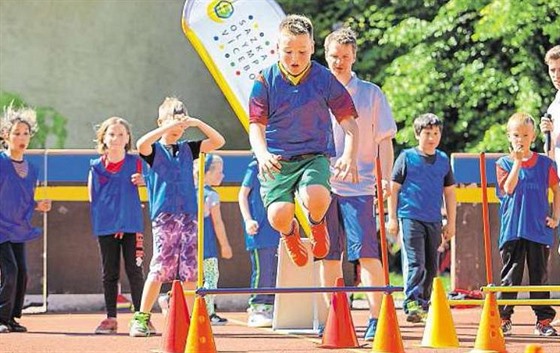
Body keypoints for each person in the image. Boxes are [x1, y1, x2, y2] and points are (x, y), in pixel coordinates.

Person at [248, 14, 359, 268]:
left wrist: (349, 155)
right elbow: (256, 125)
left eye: (302, 51)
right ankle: (289, 233)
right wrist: (262, 154)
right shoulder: (265, 81)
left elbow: (350, 123)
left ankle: (317, 224)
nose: (295, 59)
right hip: (277, 159)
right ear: (277, 48)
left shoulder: (323, 78)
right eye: (288, 52)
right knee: (278, 215)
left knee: (317, 195)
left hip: (313, 155)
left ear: (312, 47)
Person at [319, 27, 396, 341]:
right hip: (322, 186)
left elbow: (385, 141)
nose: (339, 62)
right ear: (325, 55)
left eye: (345, 57)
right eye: (334, 57)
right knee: (328, 254)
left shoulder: (371, 93)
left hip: (362, 186)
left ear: (354, 57)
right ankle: (337, 317)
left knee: (367, 254)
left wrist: (387, 177)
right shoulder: (314, 91)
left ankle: (376, 318)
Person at [129, 97, 225, 337]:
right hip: (165, 216)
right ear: (160, 122)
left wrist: (196, 122)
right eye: (173, 122)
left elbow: (218, 141)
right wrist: (166, 127)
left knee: (190, 271)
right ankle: (141, 318)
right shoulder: (154, 150)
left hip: (189, 216)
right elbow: (141, 144)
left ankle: (191, 321)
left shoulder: (187, 149)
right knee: (160, 267)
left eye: (181, 123)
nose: (178, 128)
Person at [387, 113, 456, 323]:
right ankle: (412, 302)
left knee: (431, 264)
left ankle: (425, 303)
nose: (432, 137)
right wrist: (392, 218)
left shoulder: (443, 160)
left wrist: (451, 223)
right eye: (427, 133)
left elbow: (450, 193)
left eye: (436, 133)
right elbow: (394, 188)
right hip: (410, 217)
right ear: (418, 134)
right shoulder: (406, 157)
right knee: (416, 261)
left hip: (434, 219)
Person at [496, 112, 559, 337]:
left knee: (539, 276)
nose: (520, 139)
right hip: (513, 229)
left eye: (525, 135)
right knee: (510, 276)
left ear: (532, 137)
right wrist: (518, 162)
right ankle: (504, 318)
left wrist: (556, 216)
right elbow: (509, 188)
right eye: (516, 135)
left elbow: (556, 189)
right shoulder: (503, 163)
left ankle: (543, 320)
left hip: (538, 230)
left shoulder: (545, 163)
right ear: (509, 137)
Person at [88, 117, 146, 334]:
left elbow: (154, 186)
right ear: (103, 137)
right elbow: (92, 198)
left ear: (128, 138)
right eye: (112, 134)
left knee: (135, 270)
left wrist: (144, 181)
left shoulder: (137, 163)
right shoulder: (95, 167)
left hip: (131, 224)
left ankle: (142, 316)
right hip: (106, 227)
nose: (116, 138)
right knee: (109, 273)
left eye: (121, 134)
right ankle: (111, 317)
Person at [0, 105, 52, 333]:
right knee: (9, 271)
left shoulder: (32, 169)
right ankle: (1, 318)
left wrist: (37, 205)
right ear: (5, 135)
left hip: (18, 228)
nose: (22, 137)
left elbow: (23, 198)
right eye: (16, 133)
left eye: (25, 133)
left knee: (22, 272)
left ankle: (12, 317)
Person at [238, 159, 280, 328]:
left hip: (278, 228)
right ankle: (257, 308)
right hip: (260, 230)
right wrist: (248, 220)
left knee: (275, 270)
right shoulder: (255, 166)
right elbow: (242, 195)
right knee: (263, 270)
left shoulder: (285, 164)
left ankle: (272, 306)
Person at [195, 153, 232, 325]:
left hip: (189, 243)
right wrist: (225, 245)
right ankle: (208, 313)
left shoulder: (190, 192)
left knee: (190, 278)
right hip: (206, 244)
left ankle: (171, 300)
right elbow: (217, 222)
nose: (222, 175)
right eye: (218, 171)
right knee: (211, 277)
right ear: (206, 172)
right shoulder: (211, 195)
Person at [538, 46, 560, 166]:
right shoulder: (553, 108)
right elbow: (550, 155)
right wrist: (549, 135)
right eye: (552, 70)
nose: (556, 75)